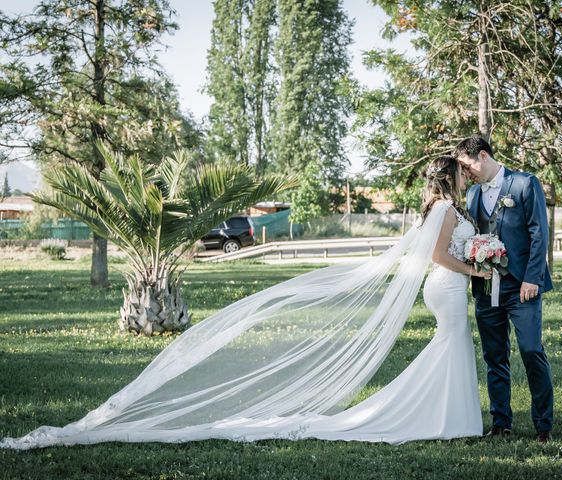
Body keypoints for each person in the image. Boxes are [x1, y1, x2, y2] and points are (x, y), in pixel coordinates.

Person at [1, 156, 490, 450]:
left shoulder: (440, 206)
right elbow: (437, 254)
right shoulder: (447, 208)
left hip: (445, 288)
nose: (466, 180)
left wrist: (475, 258)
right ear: (450, 180)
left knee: (451, 349)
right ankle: (437, 417)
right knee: (451, 347)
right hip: (446, 286)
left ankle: (451, 417)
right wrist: (476, 268)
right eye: (461, 175)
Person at [455, 136, 554, 443]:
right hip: (486, 287)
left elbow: (540, 233)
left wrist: (532, 279)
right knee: (494, 355)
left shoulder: (525, 184)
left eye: (467, 165)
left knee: (531, 350)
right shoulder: (472, 194)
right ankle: (500, 422)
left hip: (521, 286)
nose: (466, 173)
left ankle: (543, 424)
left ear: (483, 156)